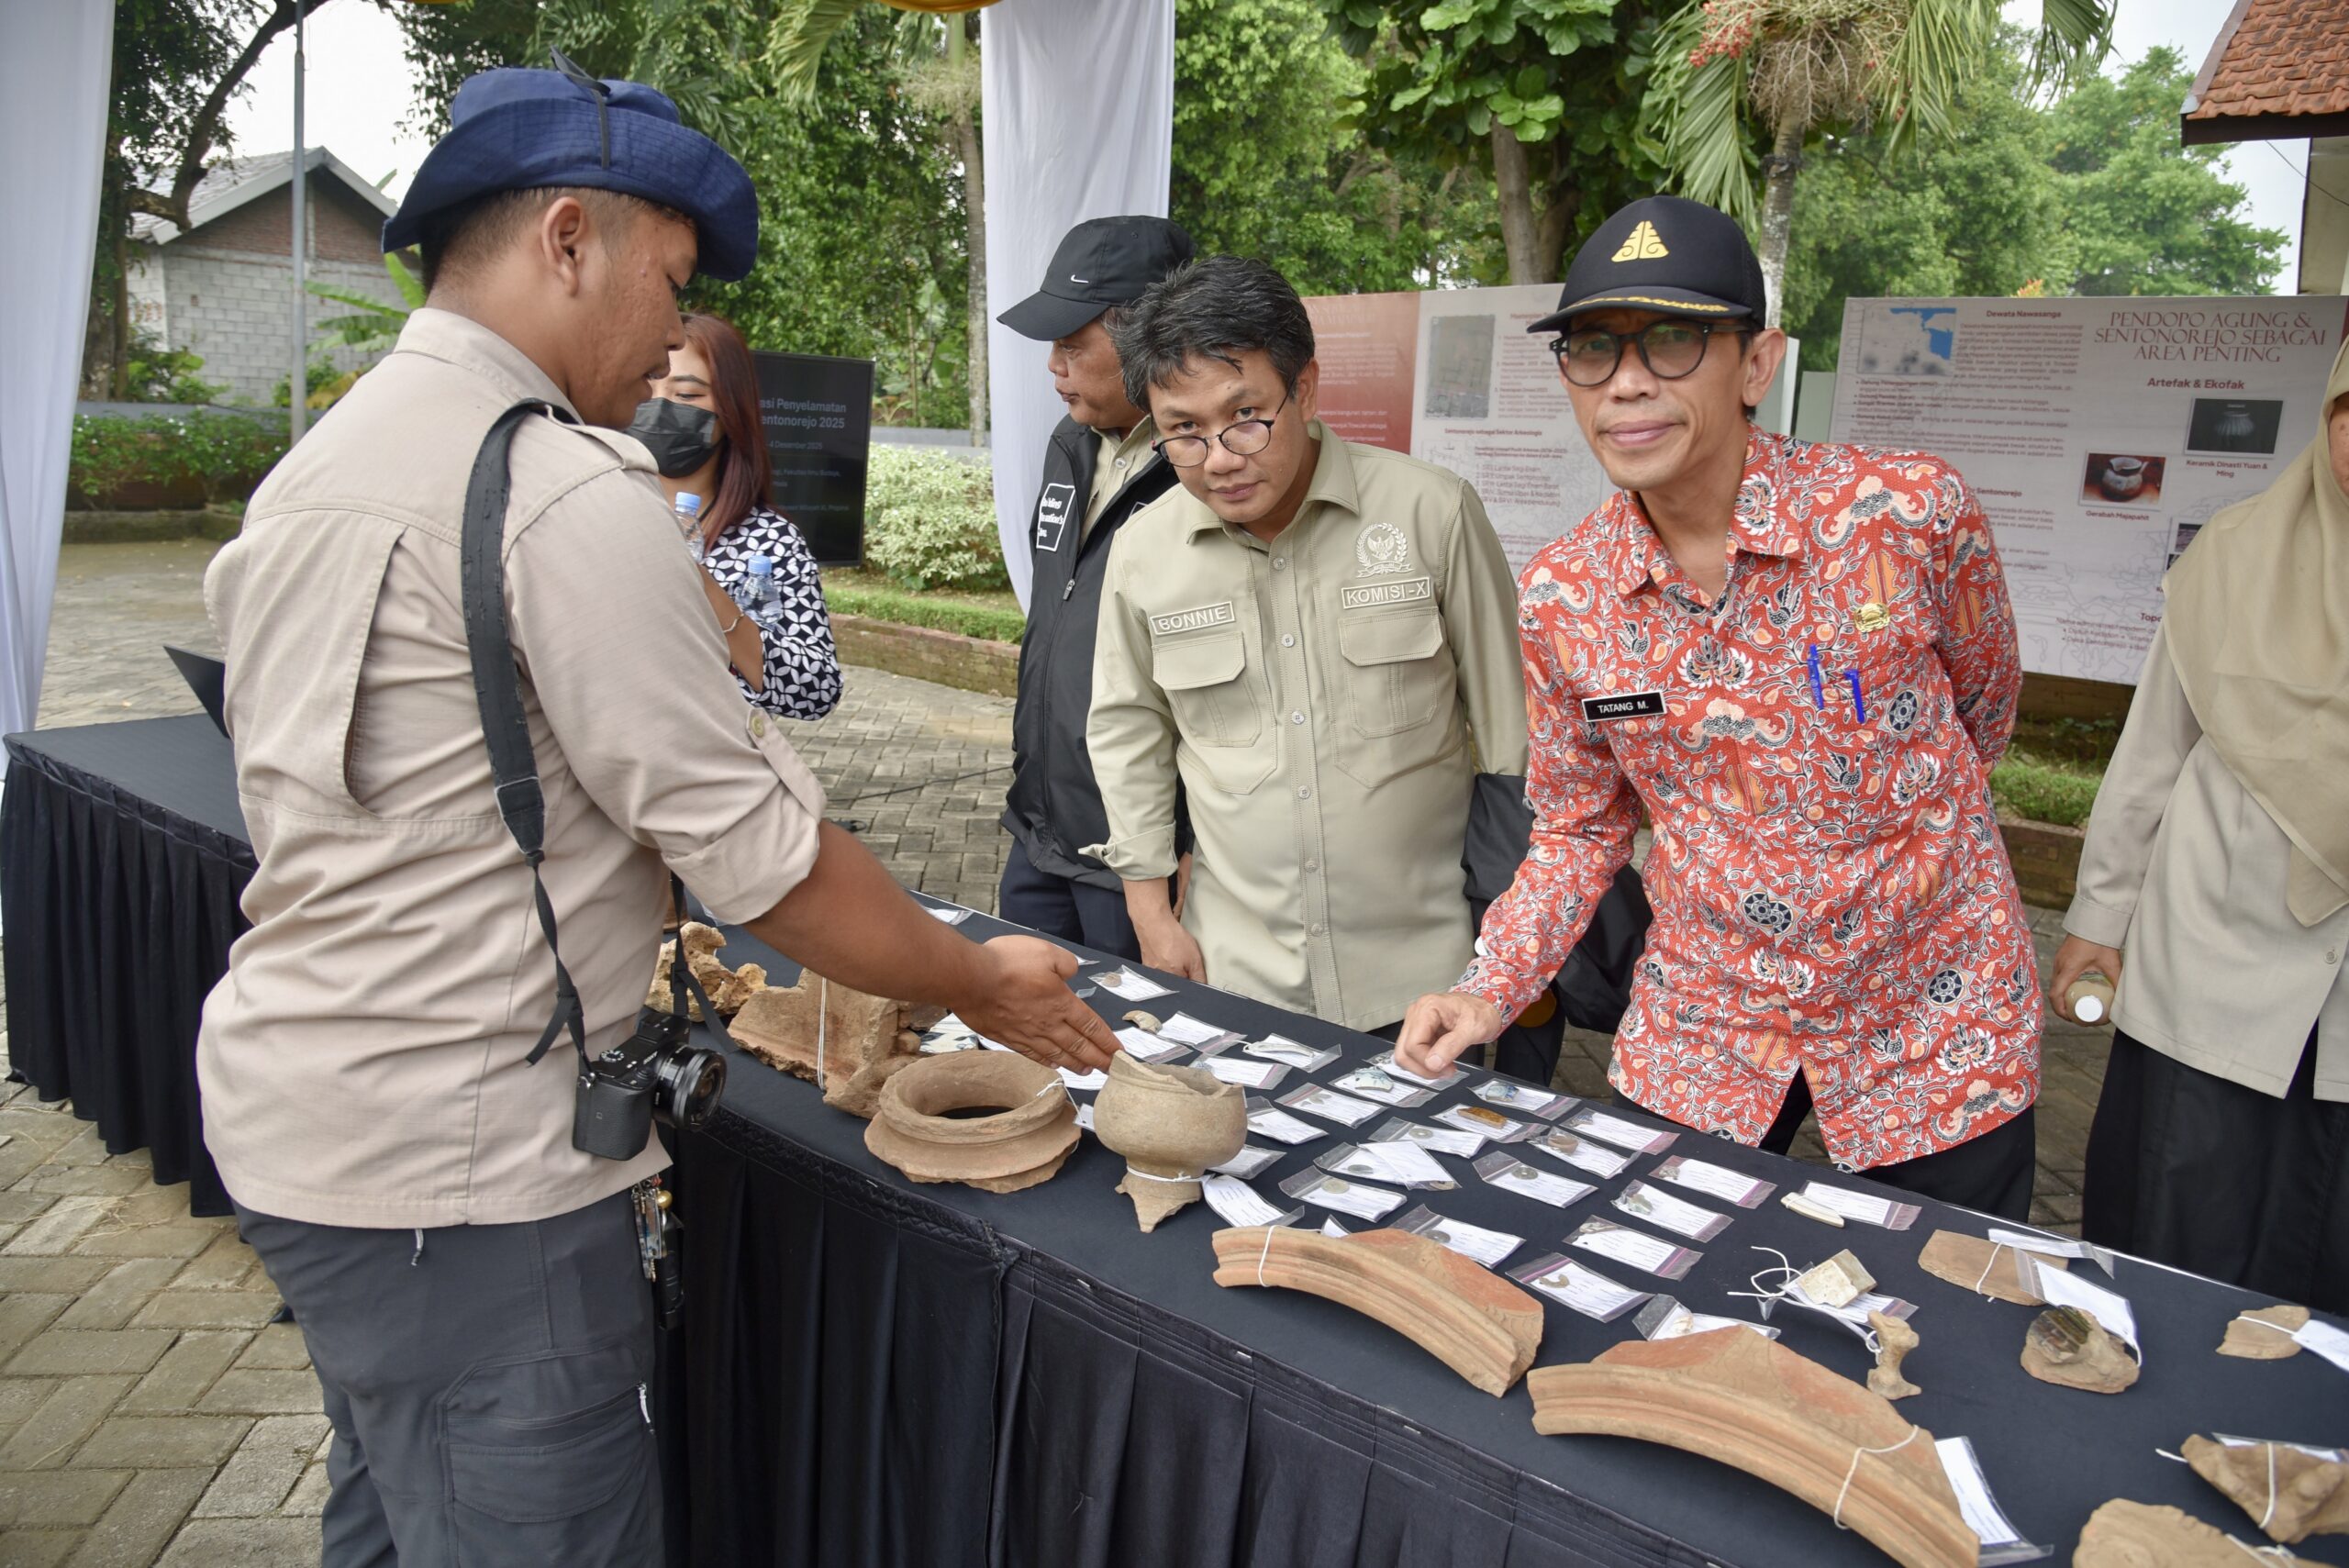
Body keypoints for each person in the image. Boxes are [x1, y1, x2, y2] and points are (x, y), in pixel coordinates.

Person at [197, 61, 1115, 1565]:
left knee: (395, 1493)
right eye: (673, 284)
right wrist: (976, 978)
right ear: (569, 237)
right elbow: (763, 860)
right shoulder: (562, 488)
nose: (678, 342)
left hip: (309, 1121)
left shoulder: (318, 465)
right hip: (472, 1176)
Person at [1397, 195, 2043, 1218]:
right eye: (1593, 351)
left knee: (1950, 1304)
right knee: (1652, 1274)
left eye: (1672, 340)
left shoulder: (1906, 513)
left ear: (1756, 362)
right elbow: (1578, 821)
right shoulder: (1568, 594)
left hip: (1932, 1001)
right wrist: (1490, 981)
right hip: (1711, 1009)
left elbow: (1982, 707)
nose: (1627, 383)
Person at [1085, 256, 1529, 1034]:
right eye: (1182, 431)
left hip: (1423, 977)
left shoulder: (1433, 514)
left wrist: (1505, 937)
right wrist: (1151, 915)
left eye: (1246, 415)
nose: (1219, 456)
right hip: (1232, 970)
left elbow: (1512, 738)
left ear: (1307, 388)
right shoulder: (1142, 551)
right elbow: (1129, 733)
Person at [2054, 339, 2349, 1311]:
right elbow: (2149, 758)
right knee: (2181, 1224)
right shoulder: (2236, 554)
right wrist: (2097, 923)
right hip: (2214, 949)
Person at [993, 216, 1194, 958]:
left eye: (1073, 343)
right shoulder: (1069, 446)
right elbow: (1056, 618)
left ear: (1152, 340)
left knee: (1129, 1059)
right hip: (1039, 826)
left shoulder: (1206, 477)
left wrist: (1186, 844)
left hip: (1138, 856)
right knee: (1026, 1044)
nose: (1054, 366)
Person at [632, 309, 843, 720]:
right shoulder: (595, 514)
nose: (658, 409)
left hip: (717, 768)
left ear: (731, 411)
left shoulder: (770, 539)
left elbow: (817, 691)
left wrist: (705, 590)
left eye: (687, 396)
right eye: (646, 389)